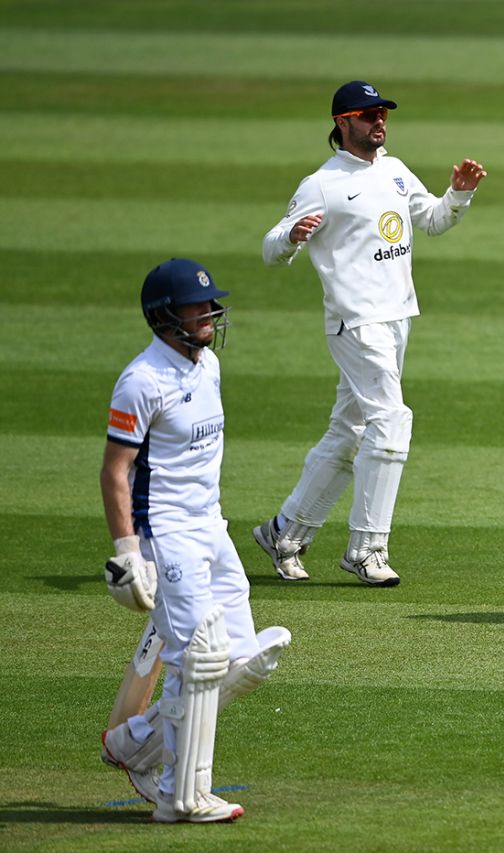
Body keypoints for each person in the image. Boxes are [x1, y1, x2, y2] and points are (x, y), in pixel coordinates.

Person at [255, 80, 487, 586]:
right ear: (343, 123)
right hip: (355, 321)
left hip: (398, 317)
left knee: (350, 431)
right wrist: (291, 238)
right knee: (392, 419)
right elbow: (271, 247)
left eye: (382, 112)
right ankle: (366, 548)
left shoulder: (395, 170)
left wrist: (459, 195)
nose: (379, 121)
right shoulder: (322, 183)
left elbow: (431, 220)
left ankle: (284, 534)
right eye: (367, 114)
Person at [99, 258, 291, 821]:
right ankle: (180, 797)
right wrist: (128, 553)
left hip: (212, 526)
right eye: (197, 306)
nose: (210, 314)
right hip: (168, 533)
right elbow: (116, 470)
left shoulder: (207, 366)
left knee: (244, 659)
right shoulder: (142, 380)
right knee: (196, 661)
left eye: (211, 305)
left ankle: (134, 744)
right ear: (164, 316)